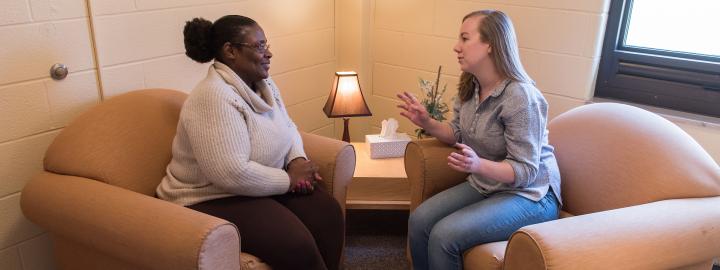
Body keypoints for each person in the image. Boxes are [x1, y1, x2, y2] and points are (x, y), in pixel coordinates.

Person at [156, 15, 343, 270]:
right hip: (212, 196)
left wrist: (298, 160)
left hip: (262, 185)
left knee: (327, 214)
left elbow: (288, 127)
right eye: (259, 47)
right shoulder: (213, 97)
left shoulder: (264, 84)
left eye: (267, 45)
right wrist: (289, 180)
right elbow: (230, 173)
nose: (268, 54)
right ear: (230, 51)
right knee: (294, 243)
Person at [398, 10, 562, 270]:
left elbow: (527, 171)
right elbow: (459, 132)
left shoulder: (520, 96)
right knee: (419, 220)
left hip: (531, 195)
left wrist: (477, 165)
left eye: (465, 38)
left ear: (490, 45)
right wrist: (426, 122)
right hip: (488, 183)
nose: (456, 47)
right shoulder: (471, 85)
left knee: (445, 235)